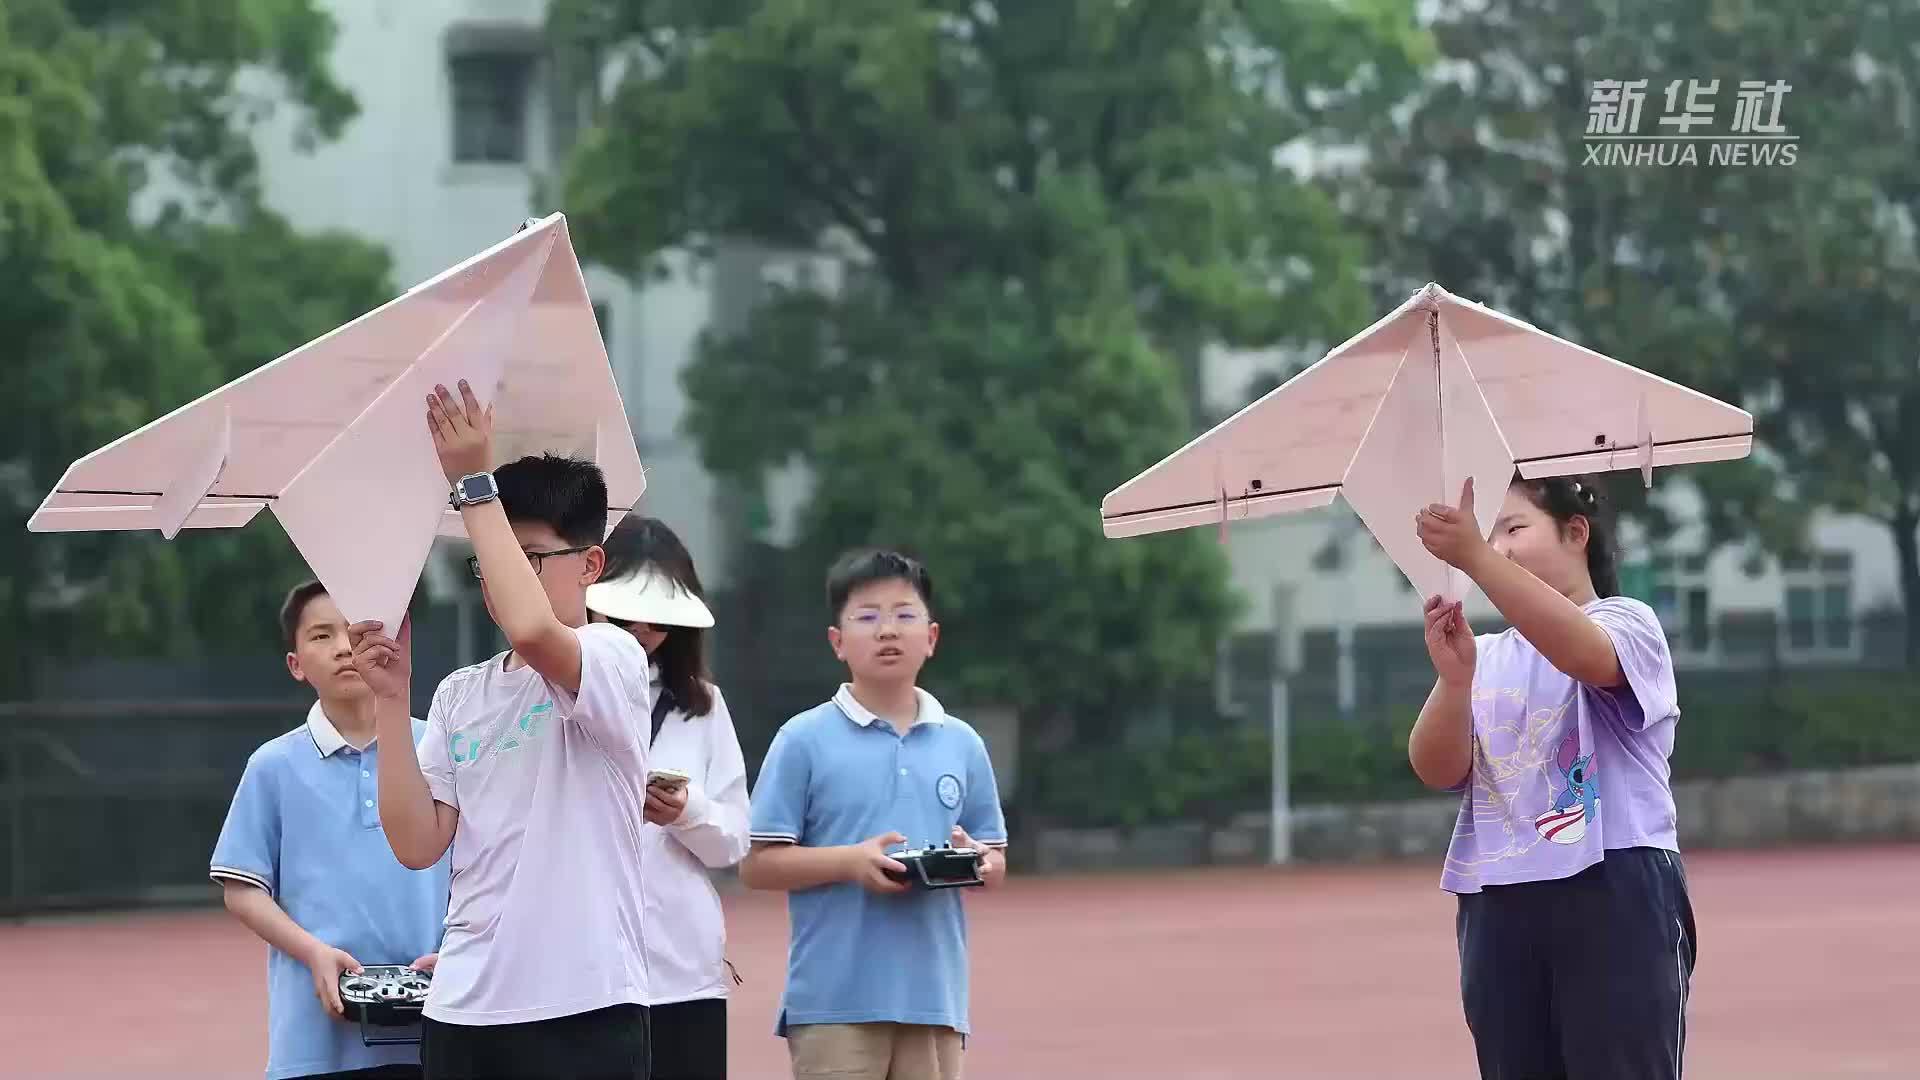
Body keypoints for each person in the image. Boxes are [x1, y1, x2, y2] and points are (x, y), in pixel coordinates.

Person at [348, 380, 656, 1079]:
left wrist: (473, 484)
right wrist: (392, 703)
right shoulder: (462, 693)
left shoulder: (613, 659)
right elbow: (416, 842)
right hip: (464, 1011)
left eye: (528, 557)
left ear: (591, 563)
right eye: (490, 560)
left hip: (585, 1009)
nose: (499, 577)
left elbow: (533, 628)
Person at [1408, 473, 1697, 1080]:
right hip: (1501, 898)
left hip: (1615, 883)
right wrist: (1455, 680)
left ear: (1576, 533)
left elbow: (1583, 655)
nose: (1498, 547)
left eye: (1513, 529)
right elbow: (1437, 767)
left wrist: (1476, 559)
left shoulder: (1628, 623)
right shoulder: (1485, 654)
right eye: (1489, 536)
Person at [742, 548, 1008, 1080]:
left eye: (904, 615)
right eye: (867, 617)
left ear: (930, 638)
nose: (887, 630)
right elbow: (757, 865)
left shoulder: (962, 743)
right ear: (837, 642)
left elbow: (994, 856)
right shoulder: (802, 739)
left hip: (935, 1000)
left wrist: (979, 862)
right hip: (834, 1003)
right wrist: (851, 863)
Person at [210, 580, 451, 1080]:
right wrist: (314, 952)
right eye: (322, 635)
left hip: (441, 1025)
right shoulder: (272, 765)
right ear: (296, 664)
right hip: (315, 1040)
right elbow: (242, 890)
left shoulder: (438, 748)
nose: (344, 647)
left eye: (355, 630)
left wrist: (456, 953)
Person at [583, 514, 751, 1080]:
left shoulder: (702, 704)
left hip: (681, 973)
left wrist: (688, 812)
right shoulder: (550, 692)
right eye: (626, 612)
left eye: (658, 619)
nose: (641, 629)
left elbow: (732, 841)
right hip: (579, 971)